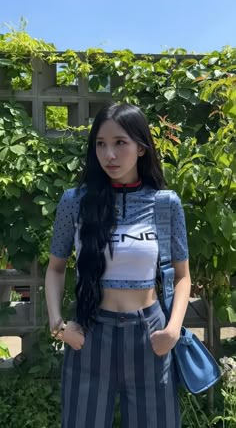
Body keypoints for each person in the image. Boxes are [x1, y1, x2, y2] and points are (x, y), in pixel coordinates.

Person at [45, 103, 191, 428]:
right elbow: (56, 267)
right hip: (91, 333)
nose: (109, 154)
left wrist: (172, 330)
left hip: (150, 336)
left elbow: (183, 277)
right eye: (100, 143)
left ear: (141, 147)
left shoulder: (166, 203)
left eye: (120, 143)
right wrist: (58, 325)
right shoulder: (75, 201)